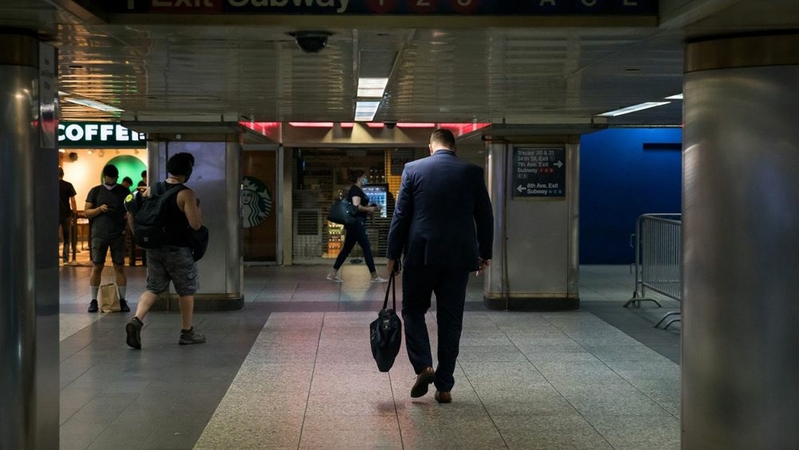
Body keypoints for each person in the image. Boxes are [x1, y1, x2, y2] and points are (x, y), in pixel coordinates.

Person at [386, 129, 494, 404]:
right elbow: (485, 215)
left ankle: (424, 366)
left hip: (420, 254)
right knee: (451, 319)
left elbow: (401, 215)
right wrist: (485, 253)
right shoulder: (472, 172)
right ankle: (444, 387)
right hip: (459, 257)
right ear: (454, 147)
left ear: (430, 147)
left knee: (412, 310)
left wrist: (392, 255)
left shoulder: (413, 169)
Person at [125, 152, 206, 349]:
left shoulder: (152, 189)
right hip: (177, 249)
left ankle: (136, 319)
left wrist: (137, 236)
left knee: (153, 287)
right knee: (186, 289)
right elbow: (195, 225)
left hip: (153, 248)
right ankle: (187, 332)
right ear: (188, 172)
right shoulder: (186, 193)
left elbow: (131, 212)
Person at [327, 169, 388, 283]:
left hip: (355, 224)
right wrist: (369, 208)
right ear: (359, 178)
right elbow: (356, 206)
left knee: (346, 249)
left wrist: (371, 208)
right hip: (356, 223)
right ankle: (375, 276)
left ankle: (332, 273)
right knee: (366, 248)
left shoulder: (358, 190)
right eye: (364, 176)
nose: (366, 178)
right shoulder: (355, 190)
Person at [85, 164, 131, 312]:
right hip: (99, 234)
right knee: (97, 266)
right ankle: (93, 300)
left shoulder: (123, 191)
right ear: (105, 177)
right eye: (110, 178)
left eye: (114, 178)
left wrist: (128, 228)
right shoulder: (95, 191)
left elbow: (130, 210)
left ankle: (123, 299)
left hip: (117, 234)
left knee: (119, 266)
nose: (112, 181)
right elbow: (87, 212)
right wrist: (100, 209)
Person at [58, 167, 77, 264]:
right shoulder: (68, 185)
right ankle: (65, 259)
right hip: (66, 214)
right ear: (63, 174)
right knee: (67, 238)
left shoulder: (49, 185)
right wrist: (75, 213)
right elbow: (73, 200)